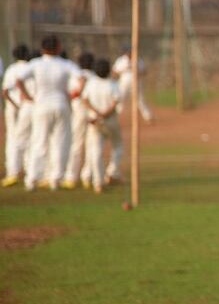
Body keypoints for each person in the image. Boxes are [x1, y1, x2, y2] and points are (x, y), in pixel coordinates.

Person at [16, 35, 85, 191]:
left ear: (43, 49)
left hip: (41, 106)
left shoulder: (36, 64)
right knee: (60, 142)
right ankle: (55, 179)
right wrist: (75, 94)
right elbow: (81, 79)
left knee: (39, 142)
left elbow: (18, 80)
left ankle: (32, 179)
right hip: (61, 104)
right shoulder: (65, 64)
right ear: (58, 48)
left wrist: (27, 96)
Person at [82, 59, 123, 194]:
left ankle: (98, 182)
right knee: (118, 146)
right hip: (109, 120)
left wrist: (96, 113)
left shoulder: (91, 84)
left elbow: (85, 100)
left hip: (95, 121)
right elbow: (115, 102)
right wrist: (104, 114)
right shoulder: (112, 84)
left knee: (96, 151)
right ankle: (112, 173)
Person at [62, 52, 95, 189]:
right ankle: (87, 176)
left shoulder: (75, 77)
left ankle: (71, 177)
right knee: (91, 145)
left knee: (76, 144)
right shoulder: (94, 77)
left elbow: (71, 94)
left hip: (78, 113)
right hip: (92, 114)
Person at [2, 44, 31, 187]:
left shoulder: (12, 69)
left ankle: (12, 172)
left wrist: (15, 106)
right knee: (30, 138)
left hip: (14, 108)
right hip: (27, 107)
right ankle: (28, 170)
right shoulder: (30, 68)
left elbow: (5, 92)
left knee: (13, 139)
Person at [112, 43, 153, 123]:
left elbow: (144, 71)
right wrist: (125, 69)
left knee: (140, 100)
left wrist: (136, 70)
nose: (129, 53)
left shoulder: (138, 60)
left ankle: (148, 116)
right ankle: (116, 116)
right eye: (128, 52)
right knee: (120, 99)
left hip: (137, 83)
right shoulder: (121, 60)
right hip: (124, 83)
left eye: (130, 51)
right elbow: (114, 71)